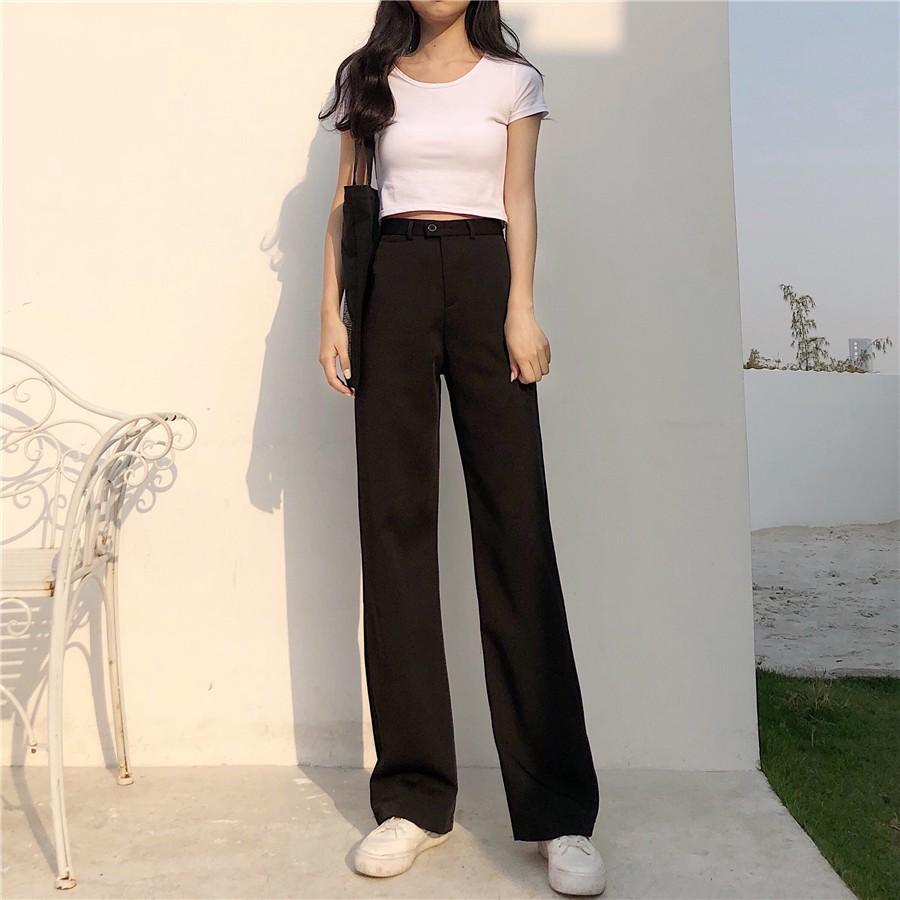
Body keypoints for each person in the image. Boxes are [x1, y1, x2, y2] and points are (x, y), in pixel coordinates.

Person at [318, 2, 605, 895]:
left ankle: (557, 811)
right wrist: (331, 314)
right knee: (395, 531)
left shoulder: (514, 82)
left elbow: (519, 199)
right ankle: (412, 800)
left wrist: (522, 308)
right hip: (391, 281)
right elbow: (346, 204)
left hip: (484, 277)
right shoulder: (368, 77)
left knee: (516, 532)